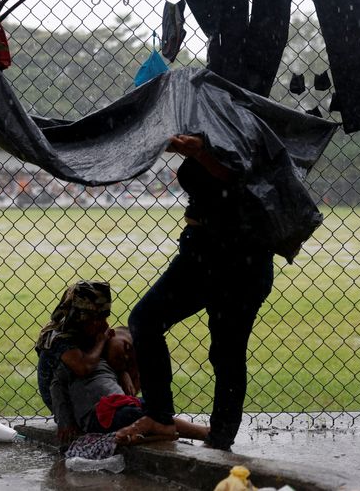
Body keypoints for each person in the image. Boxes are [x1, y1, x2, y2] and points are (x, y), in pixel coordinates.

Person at [116, 134, 275, 451]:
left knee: (227, 352)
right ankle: (160, 416)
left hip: (241, 259)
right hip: (200, 254)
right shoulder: (200, 114)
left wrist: (201, 154)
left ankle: (221, 437)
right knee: (145, 321)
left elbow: (242, 179)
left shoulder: (241, 124)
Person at [51, 326, 210, 444]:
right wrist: (66, 421)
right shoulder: (84, 356)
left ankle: (165, 431)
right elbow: (57, 384)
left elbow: (130, 394)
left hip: (117, 410)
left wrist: (124, 371)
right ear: (110, 334)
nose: (125, 357)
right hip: (99, 414)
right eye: (126, 347)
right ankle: (201, 432)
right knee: (135, 415)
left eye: (129, 361)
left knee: (152, 408)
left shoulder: (116, 369)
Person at [35, 280, 114, 440]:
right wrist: (101, 342)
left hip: (90, 389)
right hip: (66, 401)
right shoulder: (60, 338)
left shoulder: (88, 328)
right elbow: (83, 368)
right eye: (93, 319)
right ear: (77, 316)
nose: (101, 324)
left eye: (102, 317)